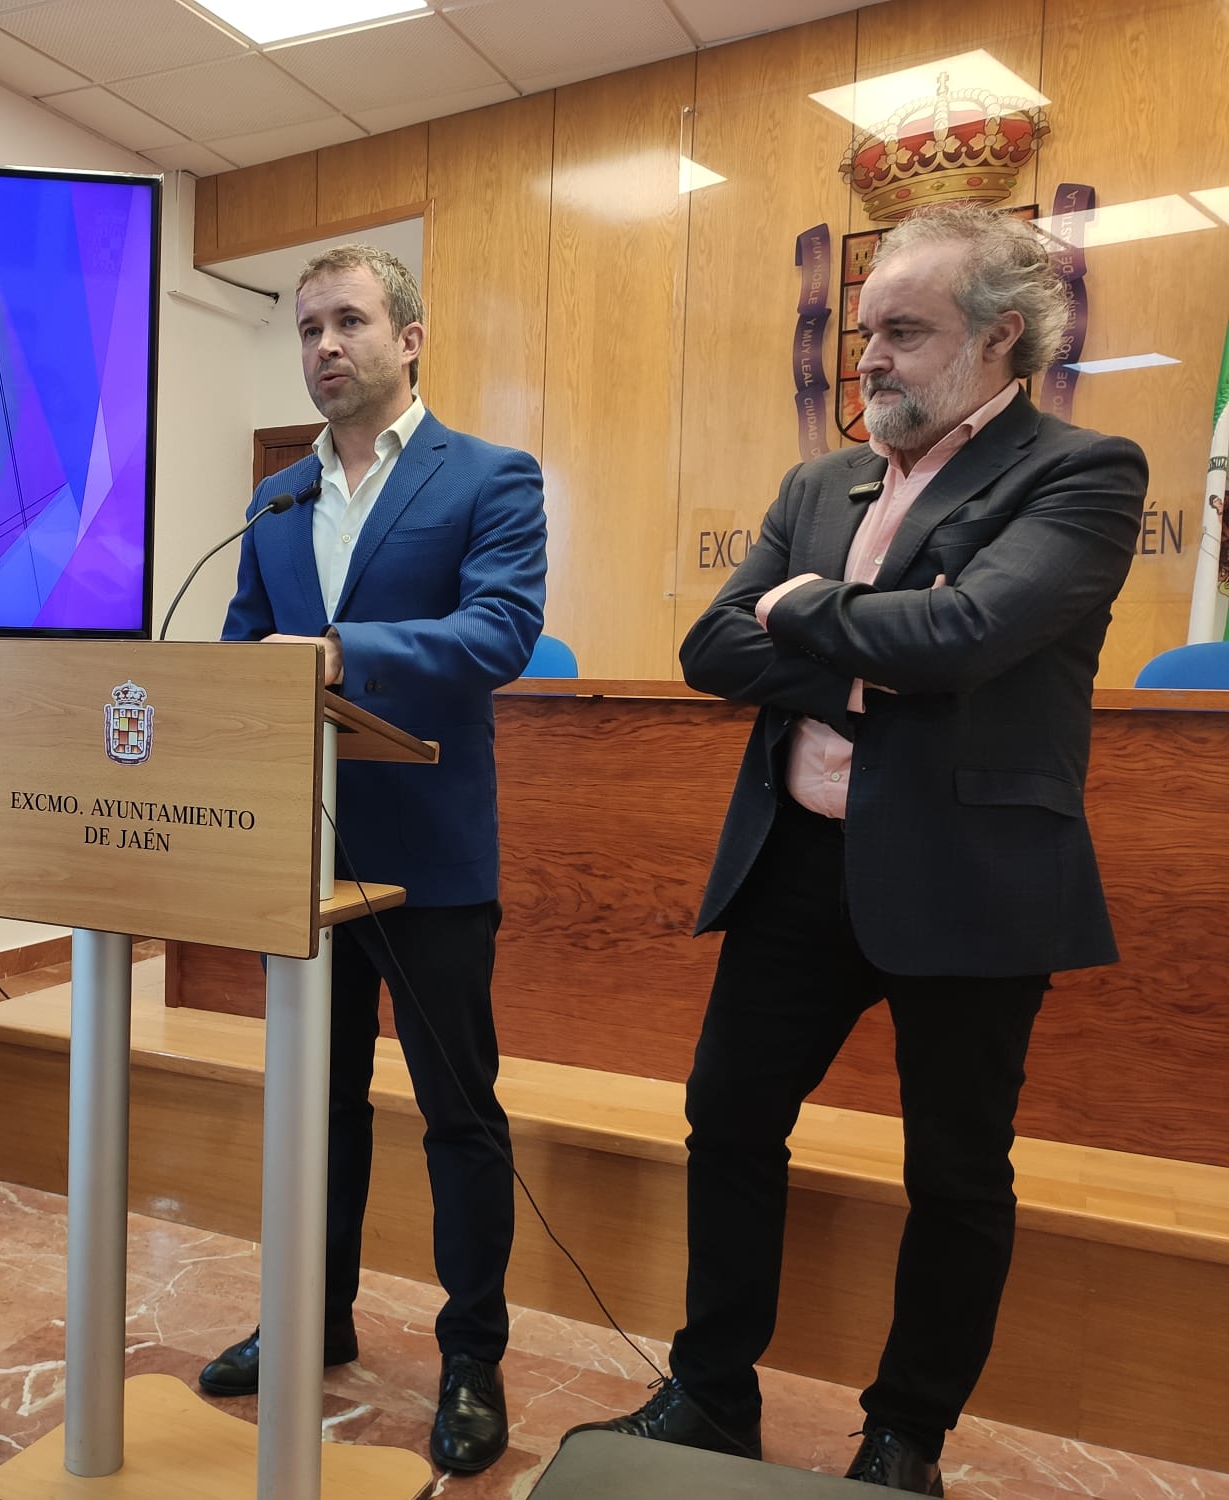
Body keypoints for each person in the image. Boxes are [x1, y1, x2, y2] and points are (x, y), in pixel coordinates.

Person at [567, 204, 1148, 1492]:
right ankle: (711, 1395)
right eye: (864, 332)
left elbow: (969, 638)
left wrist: (810, 615)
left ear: (998, 338)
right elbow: (710, 648)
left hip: (970, 879)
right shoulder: (816, 484)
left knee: (951, 1170)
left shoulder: (1080, 470)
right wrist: (863, 657)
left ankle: (904, 1438)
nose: (868, 358)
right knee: (725, 1122)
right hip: (795, 864)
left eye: (900, 330)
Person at [202, 243, 548, 1475]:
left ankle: (472, 1357)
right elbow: (247, 647)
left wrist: (340, 653)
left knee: (457, 1116)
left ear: (409, 339)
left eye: (347, 322)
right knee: (316, 1109)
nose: (323, 347)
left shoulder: (488, 477)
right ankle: (314, 1318)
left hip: (433, 858)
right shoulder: (278, 499)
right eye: (306, 330)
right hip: (302, 854)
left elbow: (500, 631)